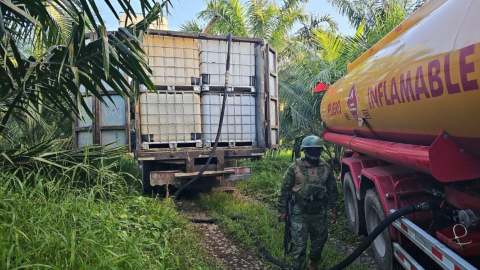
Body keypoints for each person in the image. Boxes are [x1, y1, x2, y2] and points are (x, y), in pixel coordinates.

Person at [278, 135, 339, 270]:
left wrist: (334, 210)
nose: (314, 152)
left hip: (319, 211)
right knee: (299, 246)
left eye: (316, 150)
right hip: (300, 212)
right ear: (305, 151)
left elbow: (332, 190)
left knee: (320, 241)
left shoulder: (326, 168)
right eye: (311, 150)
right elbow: (285, 190)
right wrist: (283, 210)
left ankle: (313, 261)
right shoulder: (294, 167)